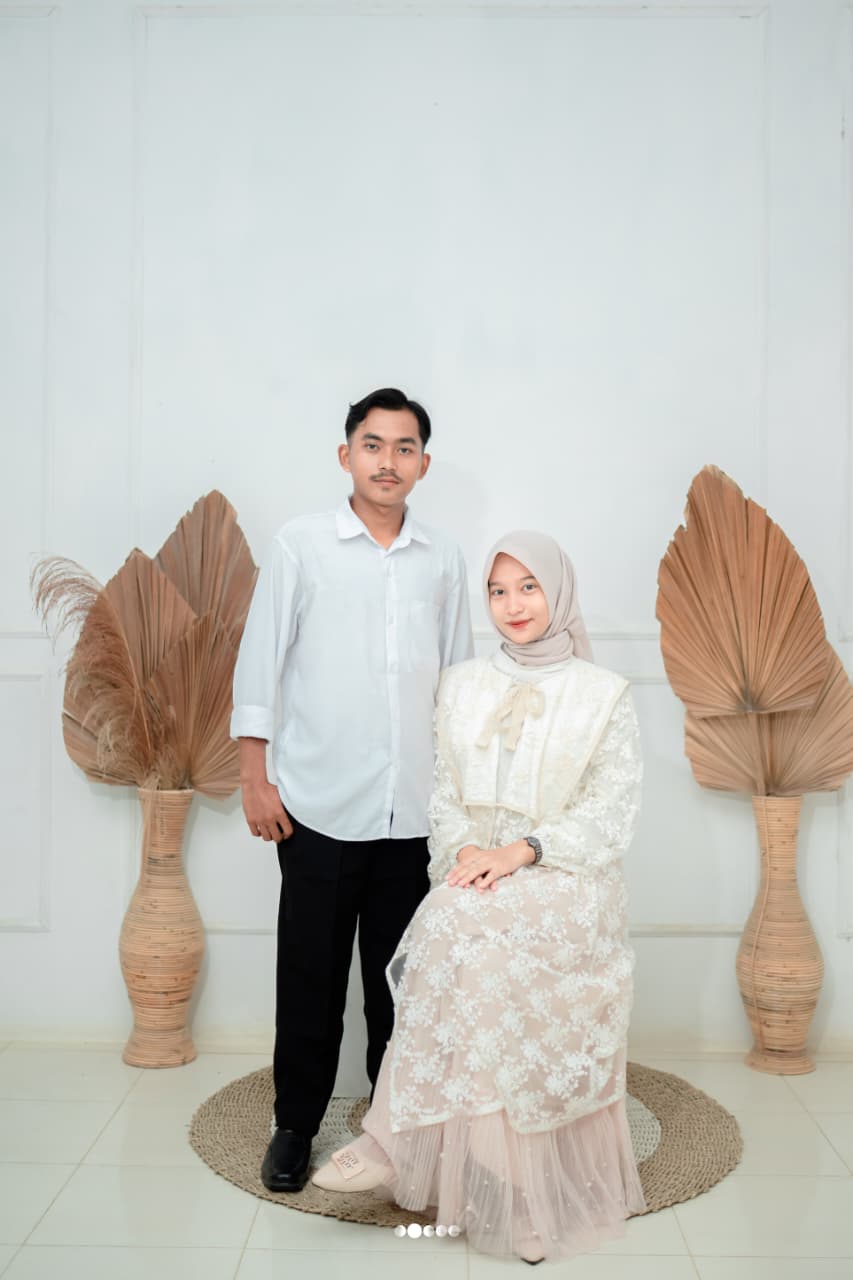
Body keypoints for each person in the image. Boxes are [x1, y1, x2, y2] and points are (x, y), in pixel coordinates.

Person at [312, 531, 646, 1263]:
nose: (512, 605)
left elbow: (609, 814)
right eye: (497, 591)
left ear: (558, 591)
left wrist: (519, 853)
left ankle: (395, 1142)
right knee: (464, 930)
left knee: (458, 928)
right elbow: (444, 794)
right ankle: (512, 1190)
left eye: (528, 587)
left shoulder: (602, 694)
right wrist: (467, 852)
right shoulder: (460, 684)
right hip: (479, 877)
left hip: (567, 880)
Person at [230, 388, 473, 1193]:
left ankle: (395, 1132)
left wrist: (460, 805)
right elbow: (259, 662)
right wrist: (254, 777)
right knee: (310, 978)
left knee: (399, 988)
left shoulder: (442, 558)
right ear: (346, 455)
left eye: (404, 448)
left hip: (413, 814)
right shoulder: (300, 546)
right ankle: (294, 1126)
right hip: (317, 807)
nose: (387, 462)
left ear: (423, 465)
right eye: (373, 445)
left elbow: (458, 686)